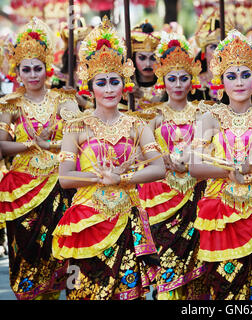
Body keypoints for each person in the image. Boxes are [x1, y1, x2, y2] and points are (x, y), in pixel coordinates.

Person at [51, 17, 166, 300]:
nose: (109, 89)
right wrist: (99, 177)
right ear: (90, 88)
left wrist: (122, 178)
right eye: (101, 82)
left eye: (115, 81)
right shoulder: (76, 126)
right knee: (84, 292)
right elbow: (65, 178)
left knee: (127, 294)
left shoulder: (137, 124)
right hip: (85, 220)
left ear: (124, 84)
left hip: (126, 217)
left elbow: (159, 168)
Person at [188, 30, 252, 300]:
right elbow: (195, 166)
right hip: (220, 209)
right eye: (231, 76)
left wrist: (251, 176)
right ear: (220, 80)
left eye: (245, 75)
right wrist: (229, 172)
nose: (239, 83)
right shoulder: (210, 117)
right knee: (224, 282)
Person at [0, 17, 78, 300]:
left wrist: (53, 145)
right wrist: (33, 144)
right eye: (27, 69)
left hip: (60, 186)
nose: (33, 74)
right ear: (17, 72)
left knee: (62, 257)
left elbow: (80, 140)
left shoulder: (65, 100)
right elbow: (1, 146)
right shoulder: (9, 105)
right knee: (27, 256)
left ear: (48, 69)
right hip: (21, 191)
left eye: (38, 68)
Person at [137, 32, 206, 300]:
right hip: (160, 197)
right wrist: (158, 158)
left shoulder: (204, 113)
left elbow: (213, 147)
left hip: (195, 195)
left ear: (192, 80)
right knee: (166, 266)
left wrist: (197, 156)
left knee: (196, 268)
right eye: (172, 78)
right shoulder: (151, 115)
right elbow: (137, 153)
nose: (178, 84)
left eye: (184, 78)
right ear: (162, 80)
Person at [191, 11, 231, 102]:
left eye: (222, 47)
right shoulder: (195, 82)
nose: (218, 51)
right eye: (213, 47)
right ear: (203, 52)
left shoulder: (234, 79)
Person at [130, 20, 163, 108]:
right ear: (134, 58)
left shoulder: (167, 84)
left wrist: (143, 95)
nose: (148, 64)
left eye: (153, 58)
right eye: (142, 58)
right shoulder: (125, 85)